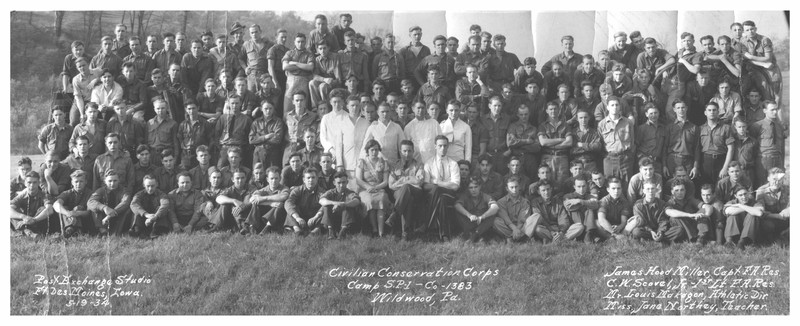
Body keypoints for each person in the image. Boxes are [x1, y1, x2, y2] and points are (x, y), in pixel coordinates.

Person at [421, 135, 461, 240]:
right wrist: (444, 184)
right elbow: (425, 185)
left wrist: (436, 183)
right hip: (435, 195)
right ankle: (444, 234)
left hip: (450, 194)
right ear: (435, 146)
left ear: (448, 147)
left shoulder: (453, 164)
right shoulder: (429, 163)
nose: (443, 148)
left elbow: (455, 186)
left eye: (445, 146)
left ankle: (427, 226)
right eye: (440, 146)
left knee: (437, 189)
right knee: (441, 198)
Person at [387, 140, 425, 240]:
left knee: (407, 188)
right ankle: (406, 233)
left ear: (413, 151)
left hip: (416, 192)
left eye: (409, 151)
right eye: (404, 151)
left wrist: (401, 181)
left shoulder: (419, 165)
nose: (407, 154)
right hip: (399, 193)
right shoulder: (395, 165)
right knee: (408, 197)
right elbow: (391, 185)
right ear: (400, 151)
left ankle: (395, 214)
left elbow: (419, 182)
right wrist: (407, 180)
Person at [741, 21, 782, 108]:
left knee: (775, 94)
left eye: (752, 29)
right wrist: (760, 63)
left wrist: (750, 57)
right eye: (747, 30)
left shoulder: (764, 40)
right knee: (761, 89)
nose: (750, 31)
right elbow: (744, 59)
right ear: (744, 32)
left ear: (755, 29)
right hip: (755, 68)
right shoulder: (743, 41)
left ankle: (777, 116)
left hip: (770, 68)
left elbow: (768, 58)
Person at [356, 140, 391, 237]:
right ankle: (374, 229)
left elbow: (385, 181)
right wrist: (368, 187)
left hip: (379, 188)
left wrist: (375, 187)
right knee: (370, 200)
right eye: (372, 150)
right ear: (367, 151)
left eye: (376, 150)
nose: (374, 152)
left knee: (381, 199)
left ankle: (381, 231)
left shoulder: (383, 162)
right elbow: (358, 180)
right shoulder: (362, 162)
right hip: (365, 189)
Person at [664, 178, 716, 244]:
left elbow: (708, 206)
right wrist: (690, 215)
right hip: (681, 230)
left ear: (685, 191)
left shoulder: (690, 200)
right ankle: (694, 239)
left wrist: (705, 215)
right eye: (677, 190)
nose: (680, 193)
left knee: (703, 210)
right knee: (675, 217)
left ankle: (701, 238)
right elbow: (669, 212)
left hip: (693, 226)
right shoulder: (669, 203)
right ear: (672, 191)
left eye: (682, 190)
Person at [694, 102, 735, 186]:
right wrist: (697, 167)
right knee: (705, 187)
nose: (712, 112)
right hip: (705, 161)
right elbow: (697, 149)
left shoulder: (726, 128)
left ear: (718, 112)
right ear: (705, 113)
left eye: (714, 110)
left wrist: (725, 167)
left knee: (721, 186)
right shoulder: (700, 129)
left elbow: (731, 149)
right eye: (709, 110)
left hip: (721, 160)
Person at [598, 96, 635, 188]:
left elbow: (633, 140)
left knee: (626, 185)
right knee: (610, 185)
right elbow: (600, 143)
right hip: (610, 158)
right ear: (608, 107)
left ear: (620, 107)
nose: (615, 107)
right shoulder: (602, 124)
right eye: (612, 105)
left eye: (617, 105)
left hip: (625, 157)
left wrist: (629, 155)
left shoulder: (628, 122)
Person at [243, 166, 289, 235]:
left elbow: (283, 196)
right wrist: (270, 203)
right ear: (267, 179)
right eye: (272, 178)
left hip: (277, 217)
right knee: (255, 204)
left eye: (276, 178)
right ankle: (251, 227)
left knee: (279, 205)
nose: (274, 181)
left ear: (280, 179)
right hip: (263, 215)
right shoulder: (264, 190)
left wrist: (264, 198)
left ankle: (267, 228)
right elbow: (252, 199)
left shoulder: (284, 188)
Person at [749, 101, 785, 186]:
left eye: (776, 109)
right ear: (764, 110)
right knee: (763, 185)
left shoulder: (779, 126)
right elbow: (751, 146)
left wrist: (782, 164)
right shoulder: (757, 126)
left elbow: (782, 146)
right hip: (764, 160)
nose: (775, 112)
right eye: (772, 110)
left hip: (778, 159)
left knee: (777, 185)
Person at [453, 176, 499, 242]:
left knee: (493, 214)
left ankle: (475, 234)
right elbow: (457, 205)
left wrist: (483, 216)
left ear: (480, 187)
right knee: (458, 211)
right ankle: (472, 234)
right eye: (471, 188)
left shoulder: (485, 196)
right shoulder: (465, 196)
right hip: (469, 222)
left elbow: (495, 207)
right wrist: (469, 215)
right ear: (468, 189)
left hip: (481, 223)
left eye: (476, 187)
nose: (473, 190)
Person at [10, 171, 55, 238]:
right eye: (29, 182)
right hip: (25, 221)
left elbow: (50, 209)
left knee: (43, 209)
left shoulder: (44, 195)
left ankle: (23, 232)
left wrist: (34, 219)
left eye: (34, 182)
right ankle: (28, 232)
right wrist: (23, 217)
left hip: (37, 222)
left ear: (38, 183)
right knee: (13, 212)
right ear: (25, 183)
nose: (32, 185)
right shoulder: (22, 195)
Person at [87, 169, 132, 236]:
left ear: (119, 180)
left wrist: (109, 216)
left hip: (117, 215)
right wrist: (104, 207)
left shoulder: (124, 191)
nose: (112, 184)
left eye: (115, 181)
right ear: (105, 181)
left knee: (127, 210)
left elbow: (125, 202)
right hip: (103, 216)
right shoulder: (101, 190)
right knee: (93, 208)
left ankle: (117, 232)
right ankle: (102, 230)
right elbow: (90, 202)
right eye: (110, 181)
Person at [538, 101, 573, 183]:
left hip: (562, 157)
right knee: (547, 181)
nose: (553, 111)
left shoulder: (565, 125)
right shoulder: (542, 126)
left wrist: (551, 144)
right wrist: (561, 140)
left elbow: (569, 142)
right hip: (547, 157)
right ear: (547, 111)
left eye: (555, 109)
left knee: (563, 182)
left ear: (559, 110)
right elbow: (543, 142)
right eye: (550, 109)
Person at [51, 170, 93, 237]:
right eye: (76, 181)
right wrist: (68, 213)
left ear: (86, 182)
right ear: (72, 182)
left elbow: (90, 212)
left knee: (78, 208)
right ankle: (69, 230)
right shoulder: (67, 193)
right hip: (69, 219)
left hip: (85, 221)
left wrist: (77, 213)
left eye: (81, 181)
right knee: (63, 208)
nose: (78, 184)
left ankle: (77, 231)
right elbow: (56, 204)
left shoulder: (90, 193)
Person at [319, 172, 360, 239]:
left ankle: (343, 232)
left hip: (347, 221)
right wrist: (335, 203)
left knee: (347, 206)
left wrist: (343, 204)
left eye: (343, 182)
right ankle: (331, 232)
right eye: (339, 183)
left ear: (347, 182)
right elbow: (321, 200)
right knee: (326, 205)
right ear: (334, 183)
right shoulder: (331, 192)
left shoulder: (350, 193)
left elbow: (357, 201)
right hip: (333, 220)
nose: (341, 185)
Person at [284, 168, 326, 235]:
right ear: (304, 180)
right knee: (290, 209)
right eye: (308, 178)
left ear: (317, 179)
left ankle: (315, 231)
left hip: (314, 218)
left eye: (313, 177)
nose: (311, 180)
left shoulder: (322, 192)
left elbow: (324, 205)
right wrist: (297, 217)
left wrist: (316, 217)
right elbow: (289, 202)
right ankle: (297, 230)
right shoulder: (297, 190)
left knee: (326, 209)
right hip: (300, 217)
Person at [214, 96, 252, 169]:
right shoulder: (223, 118)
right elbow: (217, 135)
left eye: (237, 103)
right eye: (232, 103)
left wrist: (244, 149)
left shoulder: (246, 119)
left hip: (240, 148)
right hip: (225, 148)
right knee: (220, 169)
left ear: (240, 103)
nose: (234, 106)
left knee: (240, 171)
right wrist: (221, 147)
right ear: (228, 104)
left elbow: (250, 137)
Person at [283, 91, 320, 165]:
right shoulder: (287, 116)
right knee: (286, 169)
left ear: (305, 101)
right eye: (297, 100)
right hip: (290, 147)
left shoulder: (312, 116)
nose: (299, 103)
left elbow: (314, 132)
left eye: (301, 100)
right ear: (293, 102)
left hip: (304, 147)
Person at [281, 33, 315, 115]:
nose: (300, 44)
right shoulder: (289, 53)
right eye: (298, 41)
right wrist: (302, 66)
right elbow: (285, 66)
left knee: (302, 106)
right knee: (287, 108)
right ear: (294, 42)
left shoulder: (309, 54)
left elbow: (310, 67)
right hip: (291, 81)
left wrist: (295, 63)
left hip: (304, 81)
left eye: (302, 42)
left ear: (305, 42)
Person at [755, 168, 789, 245]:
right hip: (769, 219)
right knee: (768, 225)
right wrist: (777, 216)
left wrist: (788, 210)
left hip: (784, 217)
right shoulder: (761, 191)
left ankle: (784, 235)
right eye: (774, 179)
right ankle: (772, 239)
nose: (776, 182)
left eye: (779, 179)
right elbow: (760, 211)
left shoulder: (787, 189)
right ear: (768, 178)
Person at [723, 185, 763, 249]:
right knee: (732, 216)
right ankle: (729, 241)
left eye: (745, 194)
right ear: (736, 196)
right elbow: (728, 211)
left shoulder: (754, 202)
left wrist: (740, 206)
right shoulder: (732, 202)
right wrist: (749, 209)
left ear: (748, 193)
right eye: (740, 195)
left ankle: (742, 242)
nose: (744, 197)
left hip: (750, 232)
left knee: (752, 215)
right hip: (737, 229)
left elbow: (759, 213)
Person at [562, 176, 600, 242]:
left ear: (587, 186)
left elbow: (596, 205)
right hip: (575, 224)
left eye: (583, 186)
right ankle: (588, 236)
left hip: (588, 223)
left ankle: (587, 234)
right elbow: (569, 207)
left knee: (589, 211)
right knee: (584, 209)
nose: (581, 189)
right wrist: (587, 203)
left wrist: (580, 201)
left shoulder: (590, 196)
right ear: (574, 186)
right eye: (579, 187)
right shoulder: (568, 196)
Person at [494, 177, 531, 243]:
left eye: (516, 187)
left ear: (519, 187)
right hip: (507, 226)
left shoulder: (525, 202)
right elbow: (505, 219)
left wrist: (517, 229)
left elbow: (522, 220)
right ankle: (514, 237)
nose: (514, 190)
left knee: (534, 218)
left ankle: (513, 238)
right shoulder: (501, 202)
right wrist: (514, 229)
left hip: (521, 227)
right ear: (507, 189)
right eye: (511, 187)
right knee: (496, 221)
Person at [249, 100, 285, 169]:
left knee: (272, 173)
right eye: (266, 109)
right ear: (261, 109)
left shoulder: (278, 122)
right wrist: (266, 137)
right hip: (259, 152)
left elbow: (277, 139)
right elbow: (251, 140)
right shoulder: (256, 122)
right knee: (258, 173)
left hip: (272, 152)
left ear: (273, 109)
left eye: (270, 108)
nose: (268, 111)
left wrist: (259, 138)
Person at [595, 177, 633, 241]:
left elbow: (623, 221)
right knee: (596, 222)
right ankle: (612, 237)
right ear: (608, 189)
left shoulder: (624, 202)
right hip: (606, 225)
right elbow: (602, 220)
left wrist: (619, 227)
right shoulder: (604, 201)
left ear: (621, 189)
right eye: (613, 188)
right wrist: (614, 233)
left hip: (618, 226)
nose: (616, 191)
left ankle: (614, 237)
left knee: (633, 221)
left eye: (618, 188)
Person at [176, 101, 210, 170]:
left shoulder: (205, 123)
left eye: (193, 108)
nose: (191, 111)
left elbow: (211, 139)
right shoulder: (183, 124)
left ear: (198, 108)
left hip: (200, 155)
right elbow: (179, 139)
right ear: (186, 110)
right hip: (186, 156)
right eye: (189, 109)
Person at [240, 24, 274, 93]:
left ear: (260, 32)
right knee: (252, 96)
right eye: (252, 33)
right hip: (252, 76)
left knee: (264, 97)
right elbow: (240, 58)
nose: (254, 34)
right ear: (250, 34)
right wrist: (245, 68)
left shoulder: (269, 44)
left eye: (256, 32)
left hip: (265, 76)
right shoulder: (246, 44)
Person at [482, 96, 511, 174]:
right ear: (489, 106)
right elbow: (480, 138)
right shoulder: (483, 119)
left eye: (499, 106)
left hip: (503, 154)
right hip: (489, 154)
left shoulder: (507, 119)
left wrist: (508, 151)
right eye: (495, 105)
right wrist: (485, 152)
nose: (497, 108)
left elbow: (511, 137)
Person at [146, 98, 179, 166]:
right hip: (153, 155)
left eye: (163, 108)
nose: (160, 111)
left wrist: (175, 157)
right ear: (154, 109)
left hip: (167, 155)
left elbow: (176, 143)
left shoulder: (173, 124)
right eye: (158, 108)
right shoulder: (149, 123)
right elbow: (146, 141)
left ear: (167, 108)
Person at [308, 41, 341, 109]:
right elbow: (315, 76)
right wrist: (324, 79)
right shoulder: (317, 59)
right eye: (320, 49)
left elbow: (338, 78)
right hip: (324, 81)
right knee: (311, 83)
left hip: (334, 82)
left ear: (328, 48)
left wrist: (330, 81)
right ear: (317, 50)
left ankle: (326, 107)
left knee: (322, 86)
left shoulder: (335, 57)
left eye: (324, 48)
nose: (322, 51)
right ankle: (315, 108)